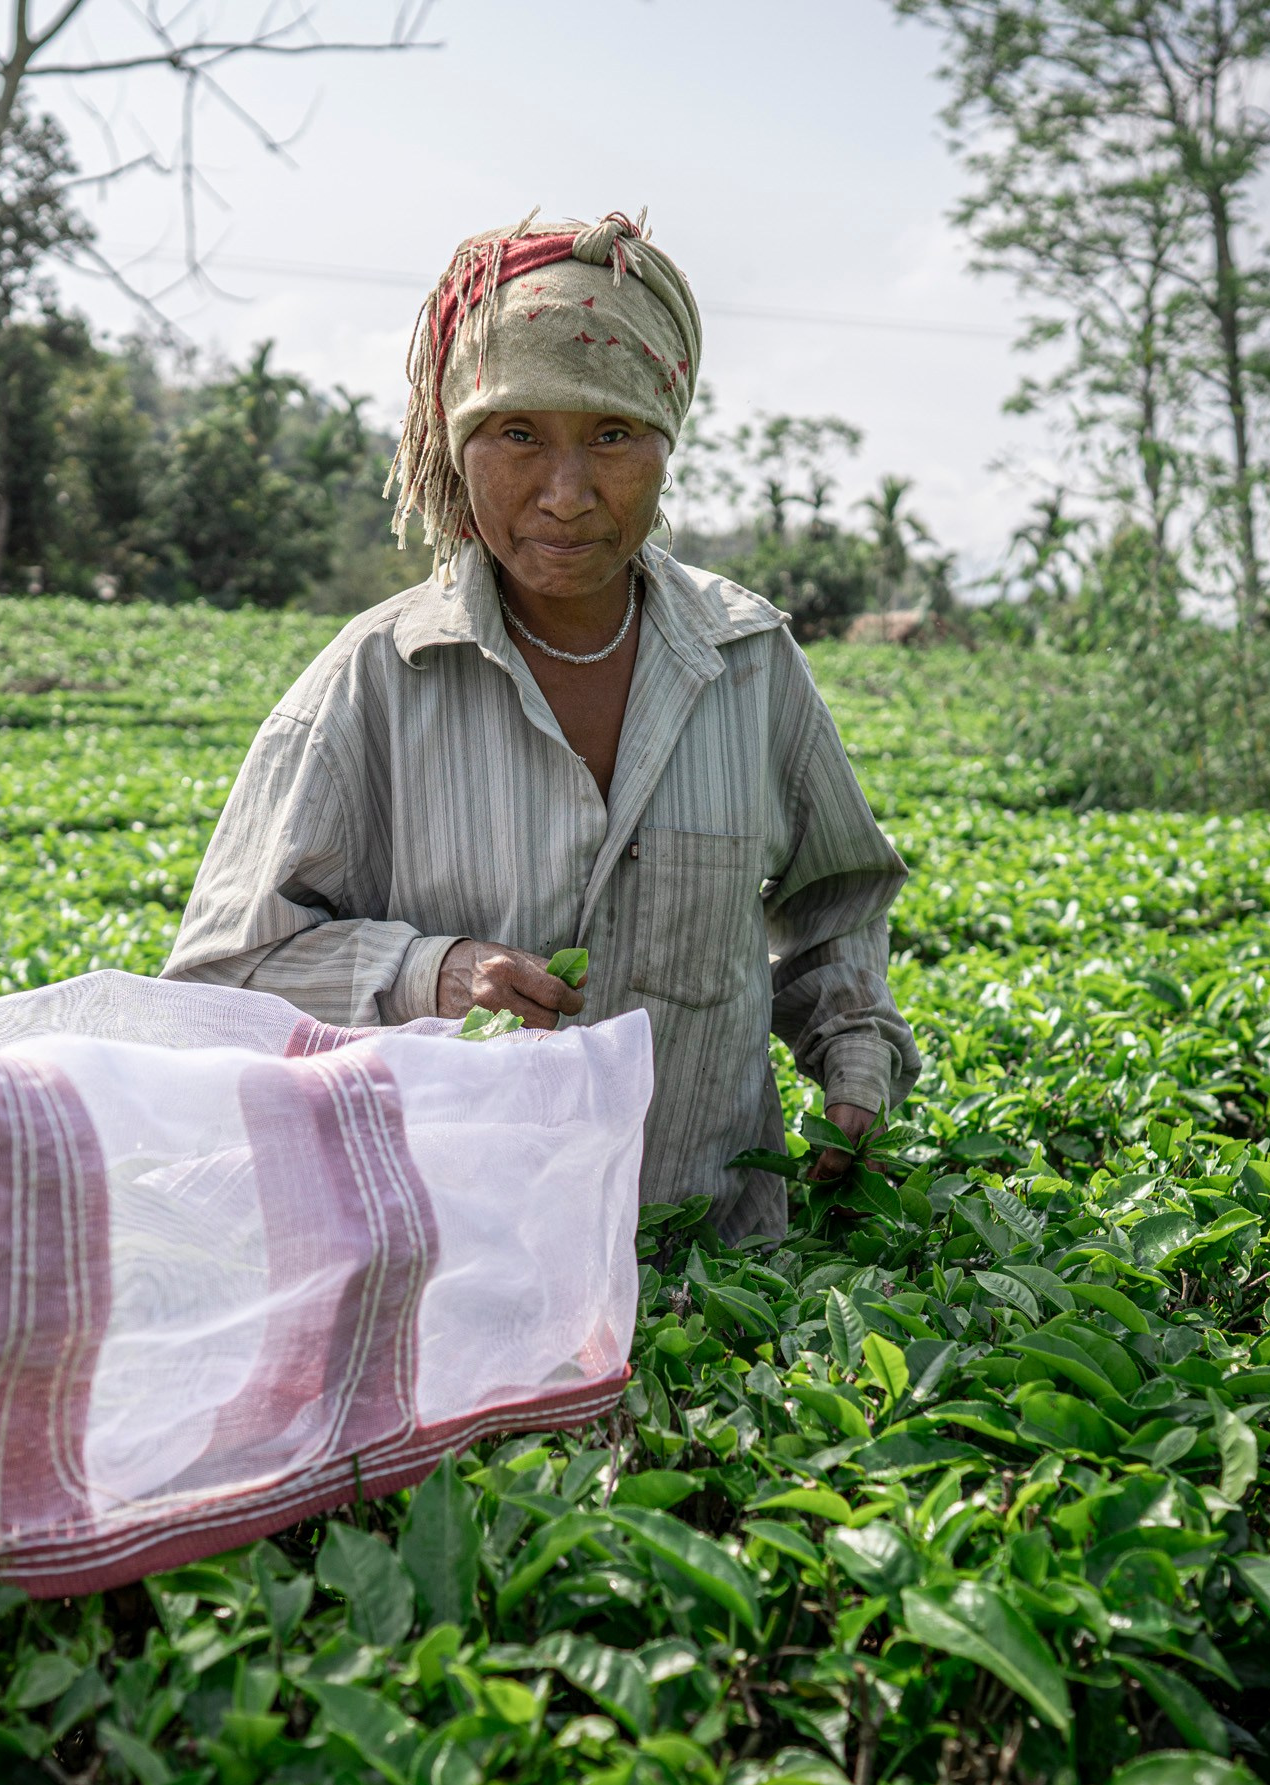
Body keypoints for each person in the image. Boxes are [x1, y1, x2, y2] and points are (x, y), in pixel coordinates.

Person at [162, 212, 920, 1239]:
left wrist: (855, 1059)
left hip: (719, 1268)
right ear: (456, 445)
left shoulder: (749, 664)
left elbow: (837, 902)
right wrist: (429, 974)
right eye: (517, 435)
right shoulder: (373, 680)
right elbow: (220, 978)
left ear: (665, 442)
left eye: (612, 436)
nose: (566, 496)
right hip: (450, 1269)